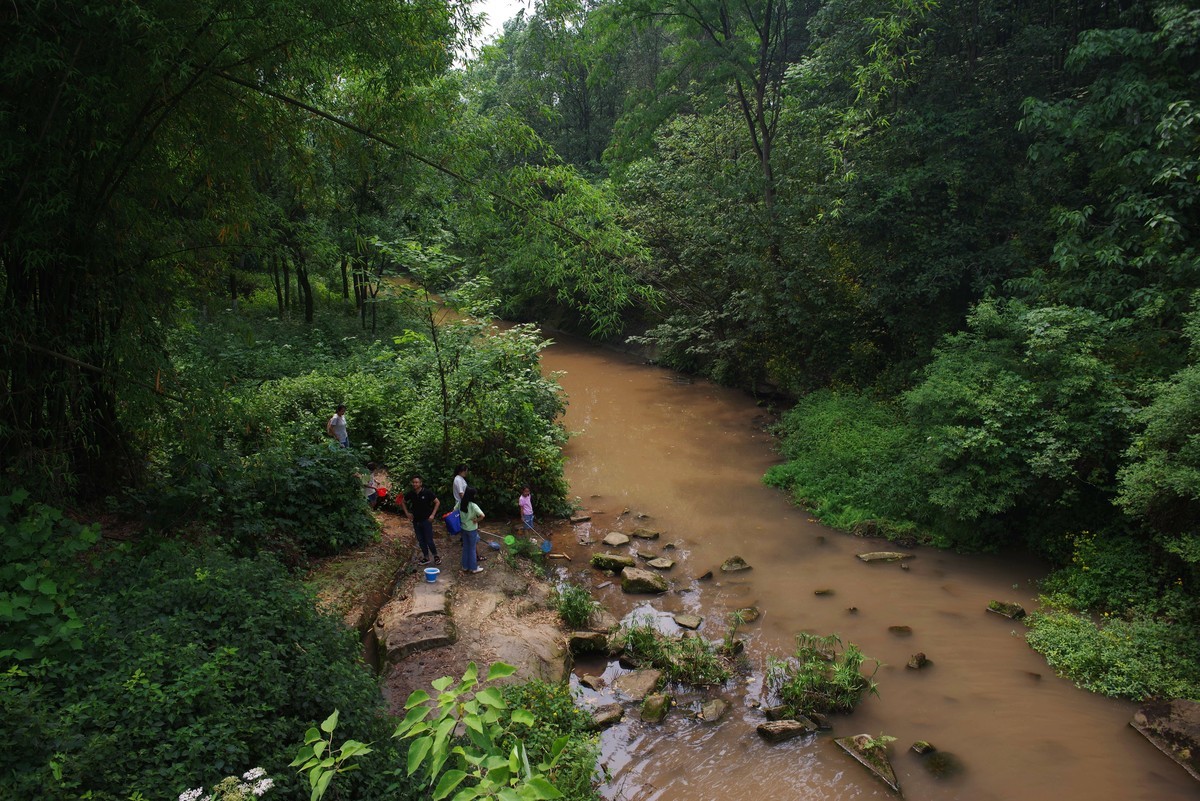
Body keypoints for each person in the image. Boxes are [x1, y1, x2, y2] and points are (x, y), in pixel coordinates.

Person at [400, 475, 441, 565]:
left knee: (429, 540)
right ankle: (426, 557)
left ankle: (435, 556)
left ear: (420, 483)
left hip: (426, 520)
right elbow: (402, 502)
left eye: (417, 482)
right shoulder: (411, 494)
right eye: (413, 482)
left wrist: (432, 515)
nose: (415, 484)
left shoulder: (427, 492)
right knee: (421, 540)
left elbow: (437, 502)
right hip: (416, 521)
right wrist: (407, 513)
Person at [458, 487, 485, 574]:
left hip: (463, 528)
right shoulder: (473, 505)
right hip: (472, 530)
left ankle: (465, 566)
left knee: (465, 547)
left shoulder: (460, 503)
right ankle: (473, 568)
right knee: (472, 548)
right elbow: (482, 515)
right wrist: (476, 520)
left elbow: (454, 511)